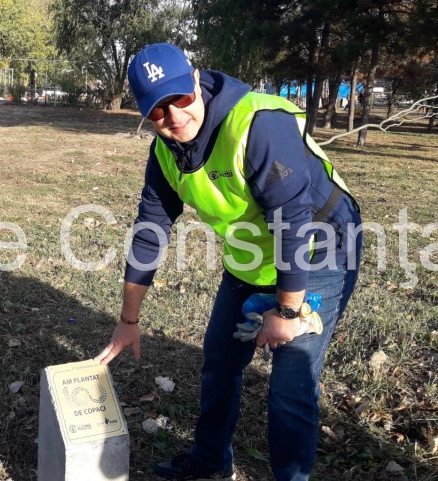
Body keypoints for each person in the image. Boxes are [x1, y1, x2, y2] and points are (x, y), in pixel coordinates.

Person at [93, 43, 363, 481]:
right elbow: (149, 231)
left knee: (290, 384)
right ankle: (210, 461)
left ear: (196, 80)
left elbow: (293, 223)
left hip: (321, 247)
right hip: (251, 255)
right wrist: (128, 320)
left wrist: (287, 311)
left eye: (181, 98)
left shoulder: (258, 123)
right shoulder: (165, 152)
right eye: (158, 110)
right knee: (220, 364)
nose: (174, 117)